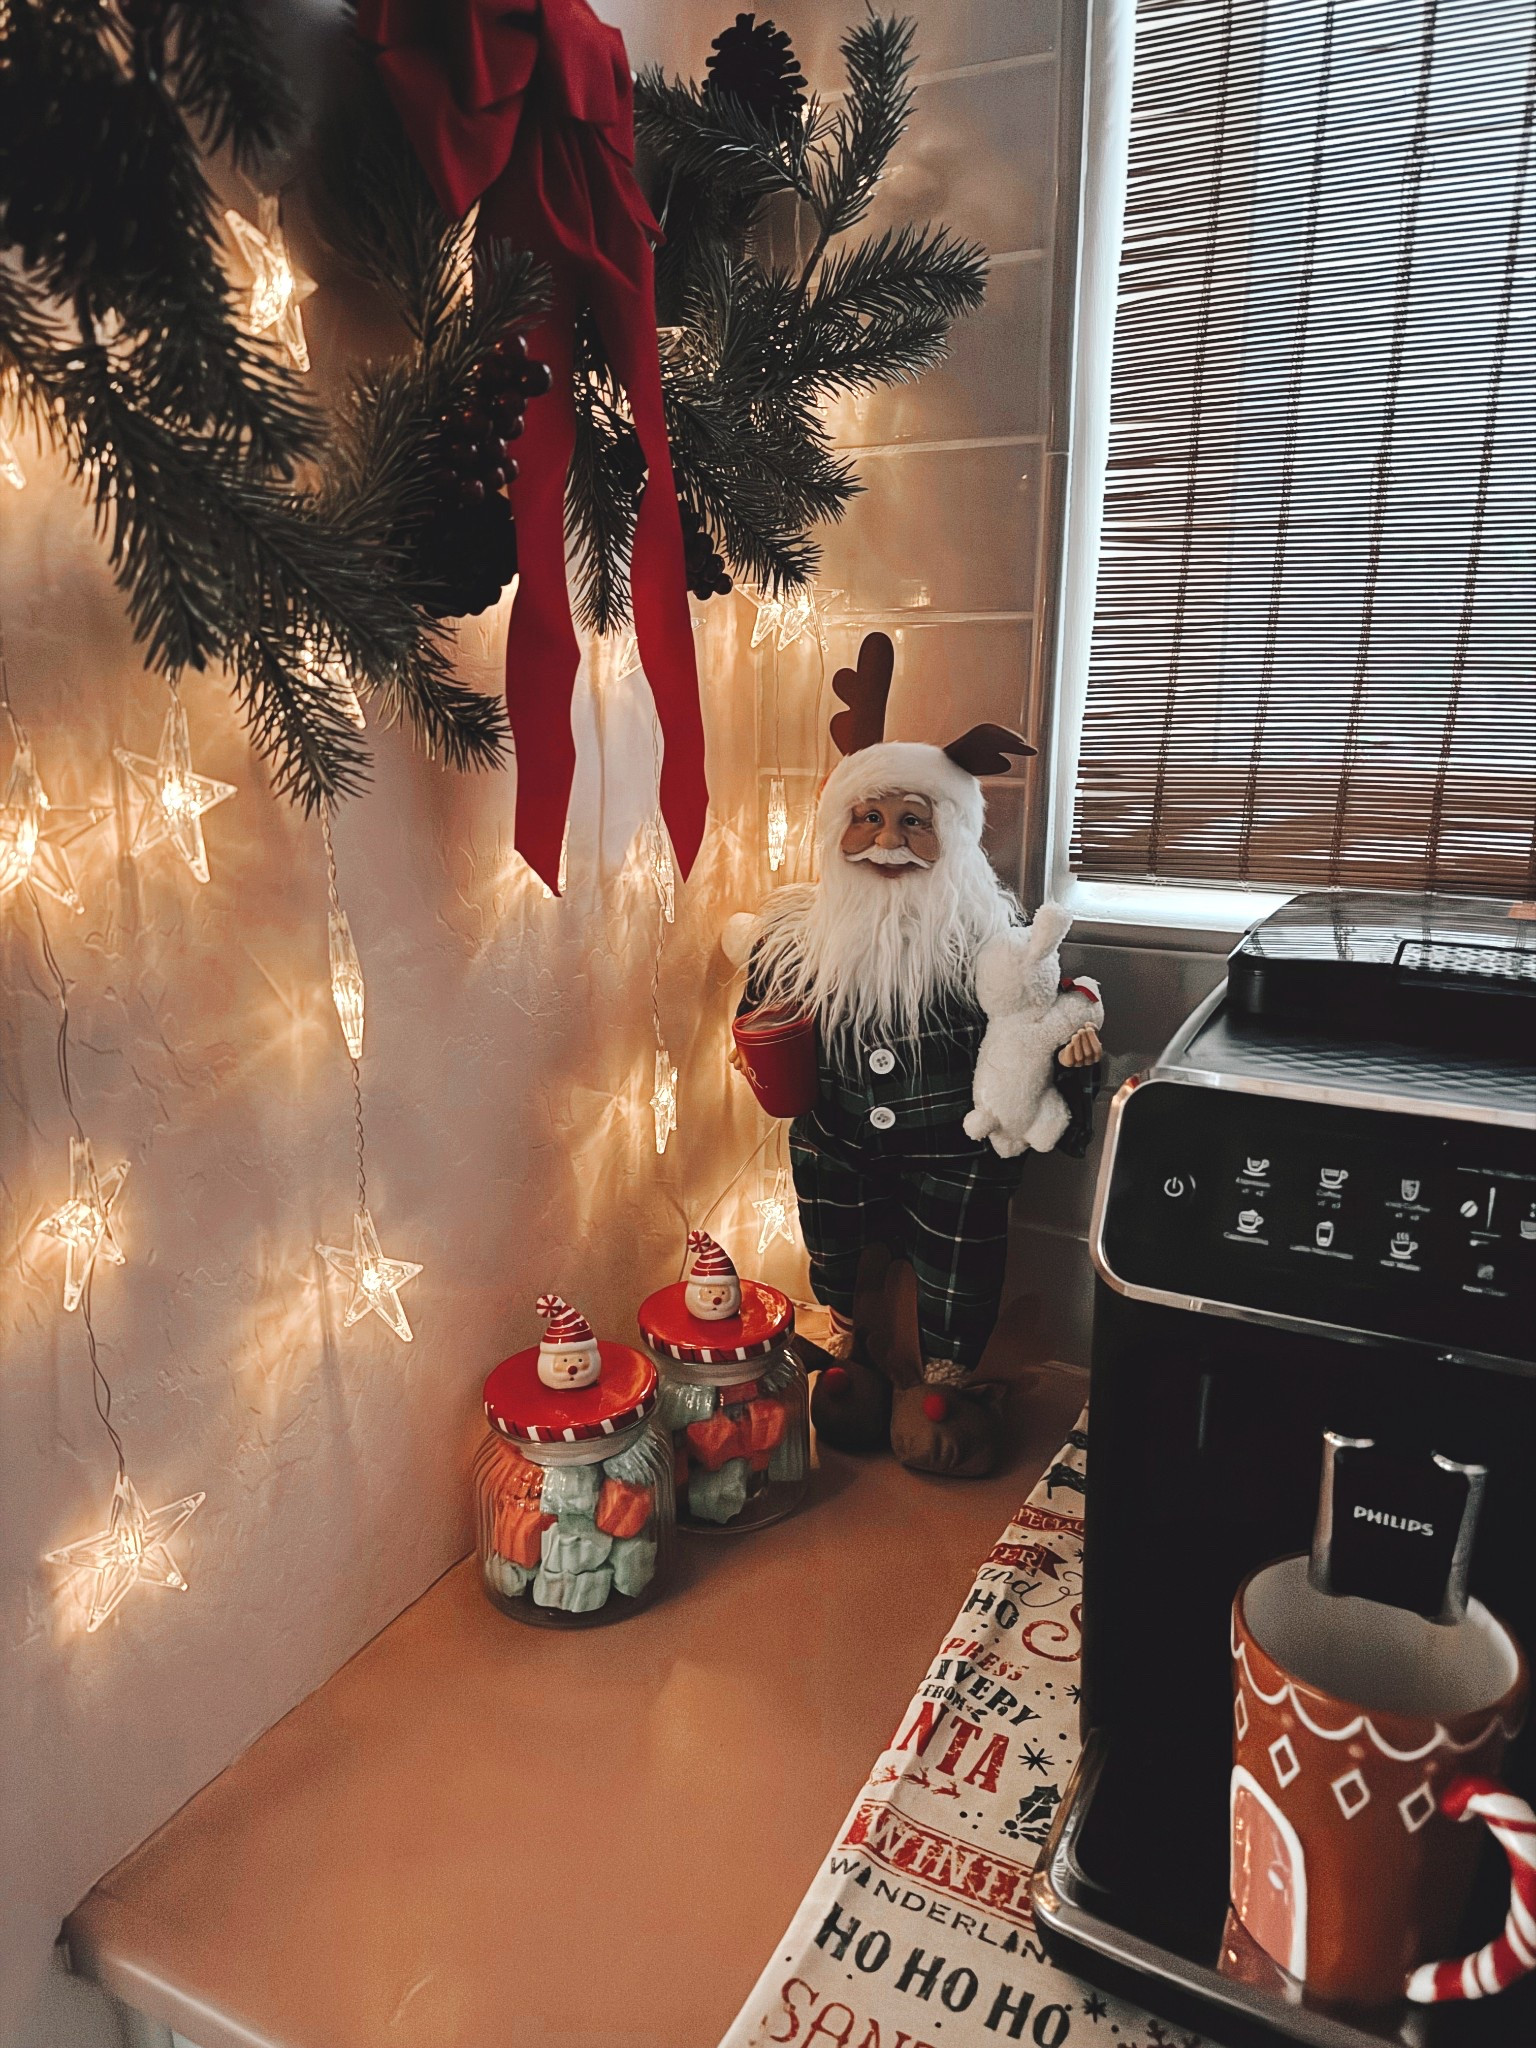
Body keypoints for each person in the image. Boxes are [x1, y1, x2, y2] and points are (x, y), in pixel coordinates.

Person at [732, 634, 1101, 1477]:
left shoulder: (986, 944)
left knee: (959, 1265)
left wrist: (1072, 1066)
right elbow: (761, 1012)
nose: (888, 840)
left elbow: (1031, 1021)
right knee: (836, 1249)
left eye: (913, 820)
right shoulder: (796, 938)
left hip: (954, 1155)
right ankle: (856, 1356)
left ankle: (946, 1385)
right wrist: (754, 1047)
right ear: (839, 828)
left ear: (953, 835)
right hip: (838, 1145)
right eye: (868, 817)